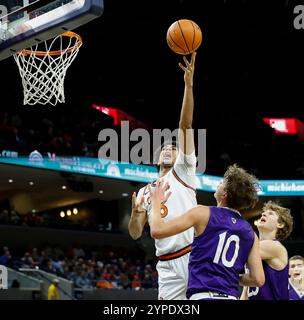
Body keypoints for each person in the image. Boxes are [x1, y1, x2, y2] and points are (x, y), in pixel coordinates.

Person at [128, 52, 199, 300]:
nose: (169, 148)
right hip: (166, 265)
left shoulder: (184, 171)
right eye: (165, 148)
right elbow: (136, 233)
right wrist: (136, 215)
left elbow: (185, 125)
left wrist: (188, 86)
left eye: (174, 147)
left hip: (191, 255)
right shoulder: (147, 192)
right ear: (157, 158)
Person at [149, 164, 265, 300]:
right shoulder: (251, 233)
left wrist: (156, 203)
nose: (219, 183)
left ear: (225, 194)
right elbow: (258, 279)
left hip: (203, 296)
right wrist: (230, 275)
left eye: (222, 182)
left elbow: (157, 231)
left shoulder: (203, 213)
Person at [241, 201, 293, 300]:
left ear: (280, 224)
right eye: (264, 213)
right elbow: (246, 294)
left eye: (270, 214)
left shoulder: (276, 247)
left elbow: (240, 250)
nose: (264, 214)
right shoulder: (256, 248)